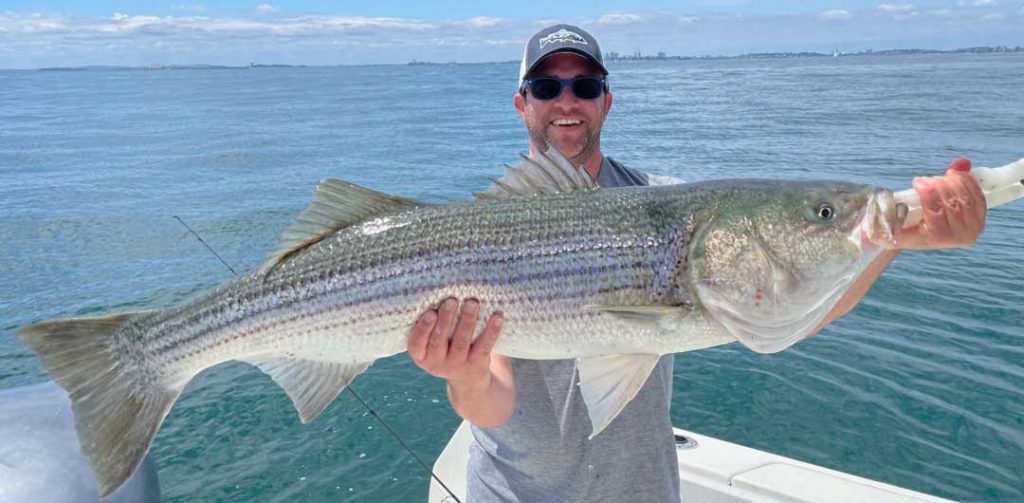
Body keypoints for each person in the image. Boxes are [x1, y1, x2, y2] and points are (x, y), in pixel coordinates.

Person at [406, 24, 987, 502]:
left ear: (606, 101)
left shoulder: (672, 202)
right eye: (546, 86)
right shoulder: (486, 234)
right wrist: (464, 369)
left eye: (584, 85)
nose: (567, 101)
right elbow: (491, 401)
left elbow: (804, 304)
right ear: (521, 103)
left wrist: (892, 240)